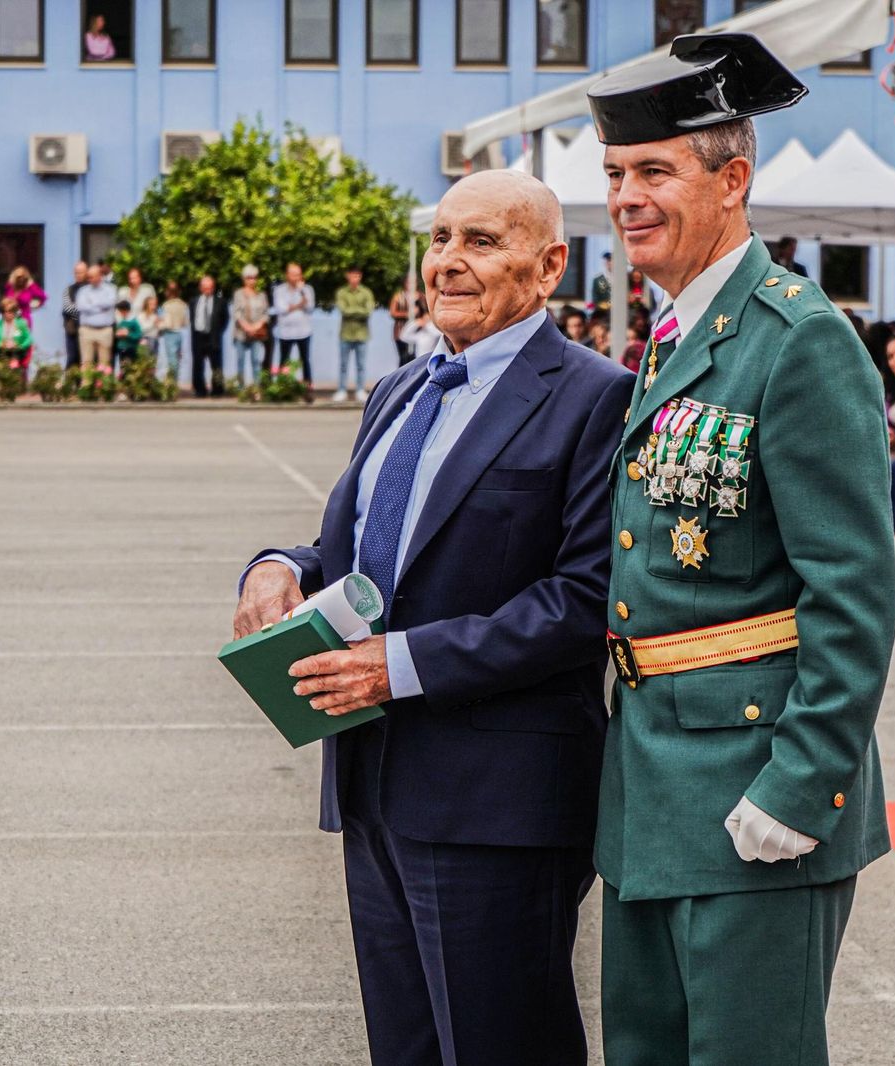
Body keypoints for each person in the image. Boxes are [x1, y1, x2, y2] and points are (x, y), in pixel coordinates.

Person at [233, 168, 628, 1066]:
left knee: (501, 1048)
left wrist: (396, 664)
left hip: (496, 799)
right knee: (404, 1049)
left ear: (549, 266)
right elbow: (367, 550)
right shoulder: (403, 389)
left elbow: (583, 599)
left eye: (481, 242)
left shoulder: (597, 395)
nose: (447, 262)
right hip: (372, 779)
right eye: (442, 238)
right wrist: (278, 567)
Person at [589, 34, 895, 1066]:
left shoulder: (797, 339)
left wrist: (803, 781)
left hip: (751, 784)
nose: (627, 196)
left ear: (731, 180)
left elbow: (851, 593)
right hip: (650, 782)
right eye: (615, 174)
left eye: (652, 171)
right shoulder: (674, 333)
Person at [273, 262, 317, 386]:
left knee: (305, 360)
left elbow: (310, 307)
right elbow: (281, 309)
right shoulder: (279, 290)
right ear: (287, 275)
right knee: (284, 360)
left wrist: (301, 292)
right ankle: (282, 385)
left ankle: (308, 386)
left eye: (298, 274)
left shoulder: (307, 289)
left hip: (304, 331)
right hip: (285, 332)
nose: (296, 277)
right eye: (293, 274)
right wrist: (299, 304)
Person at [334, 267, 374, 402]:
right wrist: (359, 310)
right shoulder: (342, 292)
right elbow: (343, 311)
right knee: (343, 365)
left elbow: (368, 311)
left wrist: (353, 311)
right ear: (348, 276)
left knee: (361, 365)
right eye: (352, 275)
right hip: (345, 334)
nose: (354, 278)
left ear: (360, 277)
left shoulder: (366, 292)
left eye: (357, 276)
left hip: (362, 334)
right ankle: (341, 390)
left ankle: (360, 390)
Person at [189, 274, 229, 398]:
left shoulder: (221, 302)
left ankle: (217, 390)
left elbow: (225, 319)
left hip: (213, 336)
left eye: (210, 287)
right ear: (200, 288)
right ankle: (200, 390)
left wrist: (217, 332)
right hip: (198, 337)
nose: (208, 290)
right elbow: (192, 318)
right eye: (205, 287)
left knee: (216, 364)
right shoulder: (193, 301)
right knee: (198, 365)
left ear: (213, 288)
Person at [231, 265, 270, 388]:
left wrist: (256, 326)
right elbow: (237, 314)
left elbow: (266, 314)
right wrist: (247, 327)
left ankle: (257, 388)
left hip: (257, 334)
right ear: (244, 279)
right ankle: (241, 389)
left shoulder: (261, 295)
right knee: (240, 361)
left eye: (254, 277)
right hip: (241, 333)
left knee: (256, 361)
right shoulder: (238, 294)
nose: (252, 280)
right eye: (249, 278)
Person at [74, 263, 117, 372]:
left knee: (104, 364)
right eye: (88, 277)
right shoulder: (83, 291)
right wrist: (100, 307)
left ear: (99, 276)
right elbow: (81, 306)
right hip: (87, 330)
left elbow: (109, 303)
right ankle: (86, 388)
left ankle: (102, 388)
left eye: (92, 277)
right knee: (86, 363)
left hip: (104, 330)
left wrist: (92, 305)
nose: (89, 279)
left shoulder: (110, 289)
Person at [156, 281, 188, 388]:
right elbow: (185, 322)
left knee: (171, 359)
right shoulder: (183, 305)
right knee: (177, 359)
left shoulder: (166, 305)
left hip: (169, 333)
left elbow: (163, 321)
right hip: (179, 333)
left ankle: (172, 383)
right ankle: (175, 381)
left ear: (168, 292)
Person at [0, 297, 32, 373]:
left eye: (10, 311)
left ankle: (14, 369)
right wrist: (0, 344)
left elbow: (29, 339)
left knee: (16, 353)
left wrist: (19, 345)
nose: (7, 314)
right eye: (4, 311)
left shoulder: (21, 323)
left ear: (14, 312)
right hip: (1, 352)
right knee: (1, 356)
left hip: (17, 352)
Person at [62, 261, 87, 369]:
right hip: (72, 332)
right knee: (72, 359)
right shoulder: (68, 289)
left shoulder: (90, 289)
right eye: (76, 272)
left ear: (86, 273)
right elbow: (67, 308)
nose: (78, 275)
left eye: (81, 272)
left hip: (87, 330)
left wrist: (80, 308)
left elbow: (91, 308)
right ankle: (69, 383)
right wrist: (81, 309)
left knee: (86, 360)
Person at [387, 274, 416, 365]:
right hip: (401, 331)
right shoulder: (398, 297)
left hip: (416, 332)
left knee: (414, 358)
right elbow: (392, 312)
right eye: (409, 282)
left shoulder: (421, 296)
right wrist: (407, 314)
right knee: (403, 357)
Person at [112, 300, 142, 370]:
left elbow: (138, 335)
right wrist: (117, 334)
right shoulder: (121, 322)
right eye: (120, 312)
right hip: (121, 348)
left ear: (127, 310)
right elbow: (117, 333)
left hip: (130, 348)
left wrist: (128, 334)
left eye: (122, 312)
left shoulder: (134, 322)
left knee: (130, 368)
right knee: (123, 368)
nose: (121, 314)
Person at [136, 293, 161, 358]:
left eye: (155, 304)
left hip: (155, 340)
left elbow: (158, 331)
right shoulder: (141, 316)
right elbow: (141, 330)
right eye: (151, 304)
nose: (154, 306)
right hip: (144, 340)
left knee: (154, 363)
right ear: (146, 305)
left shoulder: (156, 316)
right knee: (145, 362)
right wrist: (153, 324)